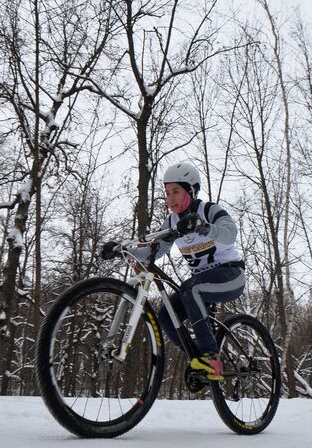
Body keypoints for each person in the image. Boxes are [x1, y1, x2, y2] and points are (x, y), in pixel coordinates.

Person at [101, 162, 245, 381]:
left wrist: (203, 226)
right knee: (165, 317)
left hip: (231, 275)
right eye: (167, 192)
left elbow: (230, 234)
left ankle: (211, 356)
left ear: (191, 191)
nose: (170, 198)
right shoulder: (173, 222)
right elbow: (153, 251)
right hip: (200, 284)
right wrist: (122, 250)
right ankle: (201, 362)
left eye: (176, 191)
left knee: (190, 288)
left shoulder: (208, 210)